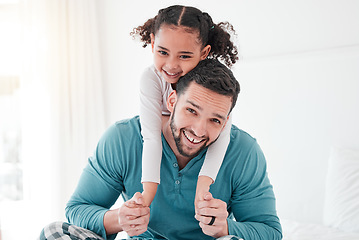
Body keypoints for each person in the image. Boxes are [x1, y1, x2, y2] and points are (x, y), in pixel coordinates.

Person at [39, 59, 282, 240]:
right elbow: (77, 209)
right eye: (192, 111)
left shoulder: (244, 151)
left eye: (215, 120)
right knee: (53, 232)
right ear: (172, 101)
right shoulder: (123, 138)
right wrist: (119, 219)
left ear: (226, 122)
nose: (199, 130)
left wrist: (227, 227)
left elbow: (270, 231)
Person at [131, 5, 239, 208]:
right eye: (163, 52)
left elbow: (221, 141)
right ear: (153, 43)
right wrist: (147, 195)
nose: (171, 66)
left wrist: (202, 190)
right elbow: (152, 137)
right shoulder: (151, 78)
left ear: (204, 52)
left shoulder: (217, 87)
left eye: (184, 56)